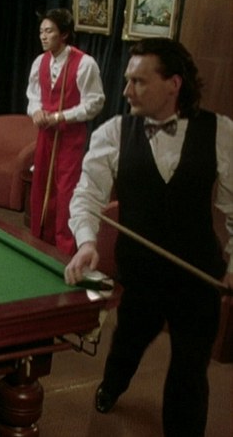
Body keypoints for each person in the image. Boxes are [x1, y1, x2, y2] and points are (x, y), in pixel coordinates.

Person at [64, 37, 233, 436]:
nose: (126, 91)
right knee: (127, 343)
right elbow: (87, 195)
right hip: (139, 273)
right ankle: (112, 385)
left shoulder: (221, 131)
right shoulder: (113, 132)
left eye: (139, 81)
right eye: (127, 80)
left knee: (190, 371)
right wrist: (87, 242)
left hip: (198, 274)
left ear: (174, 84)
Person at [26, 8, 105, 255]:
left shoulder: (85, 64)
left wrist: (62, 116)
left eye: (49, 31)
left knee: (66, 191)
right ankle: (40, 240)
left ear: (64, 34)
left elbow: (95, 102)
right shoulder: (40, 62)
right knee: (41, 185)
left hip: (70, 136)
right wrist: (36, 111)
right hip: (45, 134)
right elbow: (33, 96)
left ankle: (65, 249)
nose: (43, 36)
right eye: (41, 31)